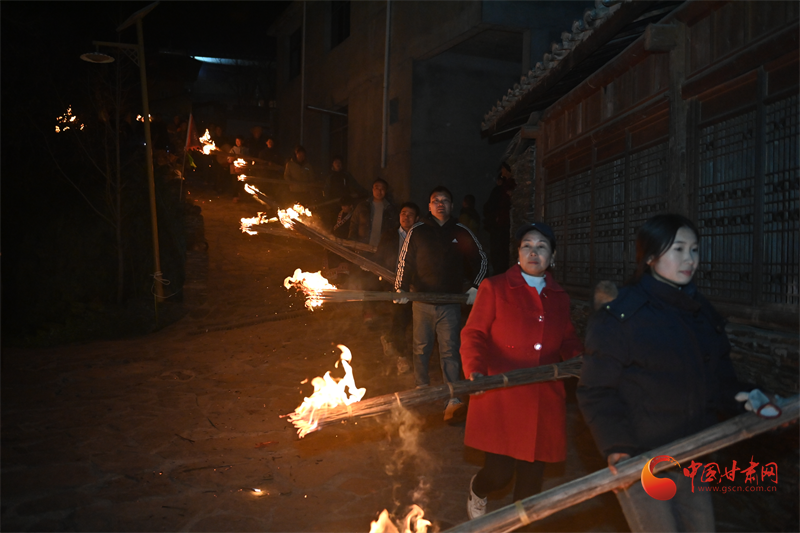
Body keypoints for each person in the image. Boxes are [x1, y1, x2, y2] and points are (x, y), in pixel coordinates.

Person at [576, 213, 743, 533]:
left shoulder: (701, 313)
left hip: (694, 456)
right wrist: (617, 446)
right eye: (678, 249)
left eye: (694, 249)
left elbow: (720, 381)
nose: (689, 259)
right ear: (650, 257)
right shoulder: (622, 317)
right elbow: (596, 390)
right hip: (642, 461)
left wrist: (748, 398)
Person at [461, 222, 582, 519]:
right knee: (499, 474)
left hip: (543, 397)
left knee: (530, 486)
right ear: (518, 253)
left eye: (541, 246)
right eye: (527, 246)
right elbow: (474, 333)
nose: (533, 252)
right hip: (503, 393)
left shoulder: (559, 297)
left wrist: (580, 359)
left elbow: (567, 339)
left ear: (552, 256)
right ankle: (478, 488)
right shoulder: (495, 287)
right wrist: (475, 370)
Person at [394, 186, 487, 421]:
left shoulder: (461, 231)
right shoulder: (418, 231)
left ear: (451, 206)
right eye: (436, 200)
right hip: (422, 302)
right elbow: (405, 262)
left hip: (450, 303)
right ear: (429, 206)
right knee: (421, 347)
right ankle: (421, 388)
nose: (440, 204)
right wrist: (400, 287)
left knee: (450, 350)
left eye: (445, 200)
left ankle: (453, 397)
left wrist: (476, 286)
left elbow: (481, 260)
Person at [376, 202, 420, 374]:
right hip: (393, 285)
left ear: (416, 218)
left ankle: (389, 338)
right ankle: (402, 358)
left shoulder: (421, 238)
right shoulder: (389, 236)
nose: (406, 217)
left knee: (407, 320)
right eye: (403, 213)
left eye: (410, 214)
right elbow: (380, 259)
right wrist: (384, 281)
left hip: (415, 287)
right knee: (400, 319)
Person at [483, 162, 515, 275]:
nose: (502, 171)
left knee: (500, 251)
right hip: (499, 224)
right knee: (499, 251)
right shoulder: (503, 188)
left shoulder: (507, 187)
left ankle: (501, 273)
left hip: (502, 225)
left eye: (503, 169)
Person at [348, 178, 397, 248]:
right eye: (377, 188)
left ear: (385, 191)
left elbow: (394, 229)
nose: (379, 191)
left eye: (382, 189)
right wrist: (352, 241)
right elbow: (354, 224)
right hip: (363, 246)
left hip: (382, 248)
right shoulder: (362, 206)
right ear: (372, 189)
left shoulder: (390, 209)